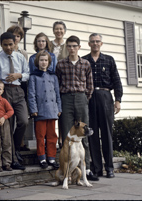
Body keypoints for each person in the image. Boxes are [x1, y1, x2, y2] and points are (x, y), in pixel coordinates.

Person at [0, 32, 30, 170]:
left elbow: (28, 74)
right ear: (1, 45)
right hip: (4, 92)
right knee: (8, 125)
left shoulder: (20, 57)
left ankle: (14, 150)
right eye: (5, 45)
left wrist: (19, 75)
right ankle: (13, 159)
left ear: (15, 43)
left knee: (23, 121)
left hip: (18, 91)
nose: (8, 47)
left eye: (11, 44)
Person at [55, 35, 98, 181]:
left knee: (84, 135)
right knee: (67, 136)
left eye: (74, 46)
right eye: (69, 46)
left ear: (79, 47)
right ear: (66, 47)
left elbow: (90, 84)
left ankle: (87, 170)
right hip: (66, 98)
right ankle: (66, 171)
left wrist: (85, 98)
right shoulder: (60, 64)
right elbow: (57, 82)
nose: (72, 49)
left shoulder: (85, 64)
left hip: (81, 98)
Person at [82, 33, 123, 179]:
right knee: (92, 134)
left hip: (105, 97)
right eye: (92, 42)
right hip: (89, 98)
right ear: (89, 44)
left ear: (101, 44)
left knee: (106, 133)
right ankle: (97, 168)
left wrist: (118, 99)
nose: (95, 44)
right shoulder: (84, 60)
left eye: (97, 41)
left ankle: (109, 168)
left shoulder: (109, 60)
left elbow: (117, 81)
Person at [28, 50, 62, 169]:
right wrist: (33, 109)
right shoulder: (34, 76)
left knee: (52, 136)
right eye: (41, 60)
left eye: (46, 60)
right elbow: (31, 94)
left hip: (52, 110)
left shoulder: (53, 76)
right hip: (40, 110)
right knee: (40, 136)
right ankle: (42, 158)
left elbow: (57, 93)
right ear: (37, 62)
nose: (44, 62)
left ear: (49, 62)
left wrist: (59, 108)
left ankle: (51, 158)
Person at [7, 25, 30, 152]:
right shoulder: (4, 51)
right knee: (9, 121)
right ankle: (12, 149)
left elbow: (25, 72)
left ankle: (17, 143)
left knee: (23, 120)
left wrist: (19, 76)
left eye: (18, 36)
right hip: (7, 88)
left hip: (20, 86)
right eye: (13, 35)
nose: (15, 38)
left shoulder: (23, 53)